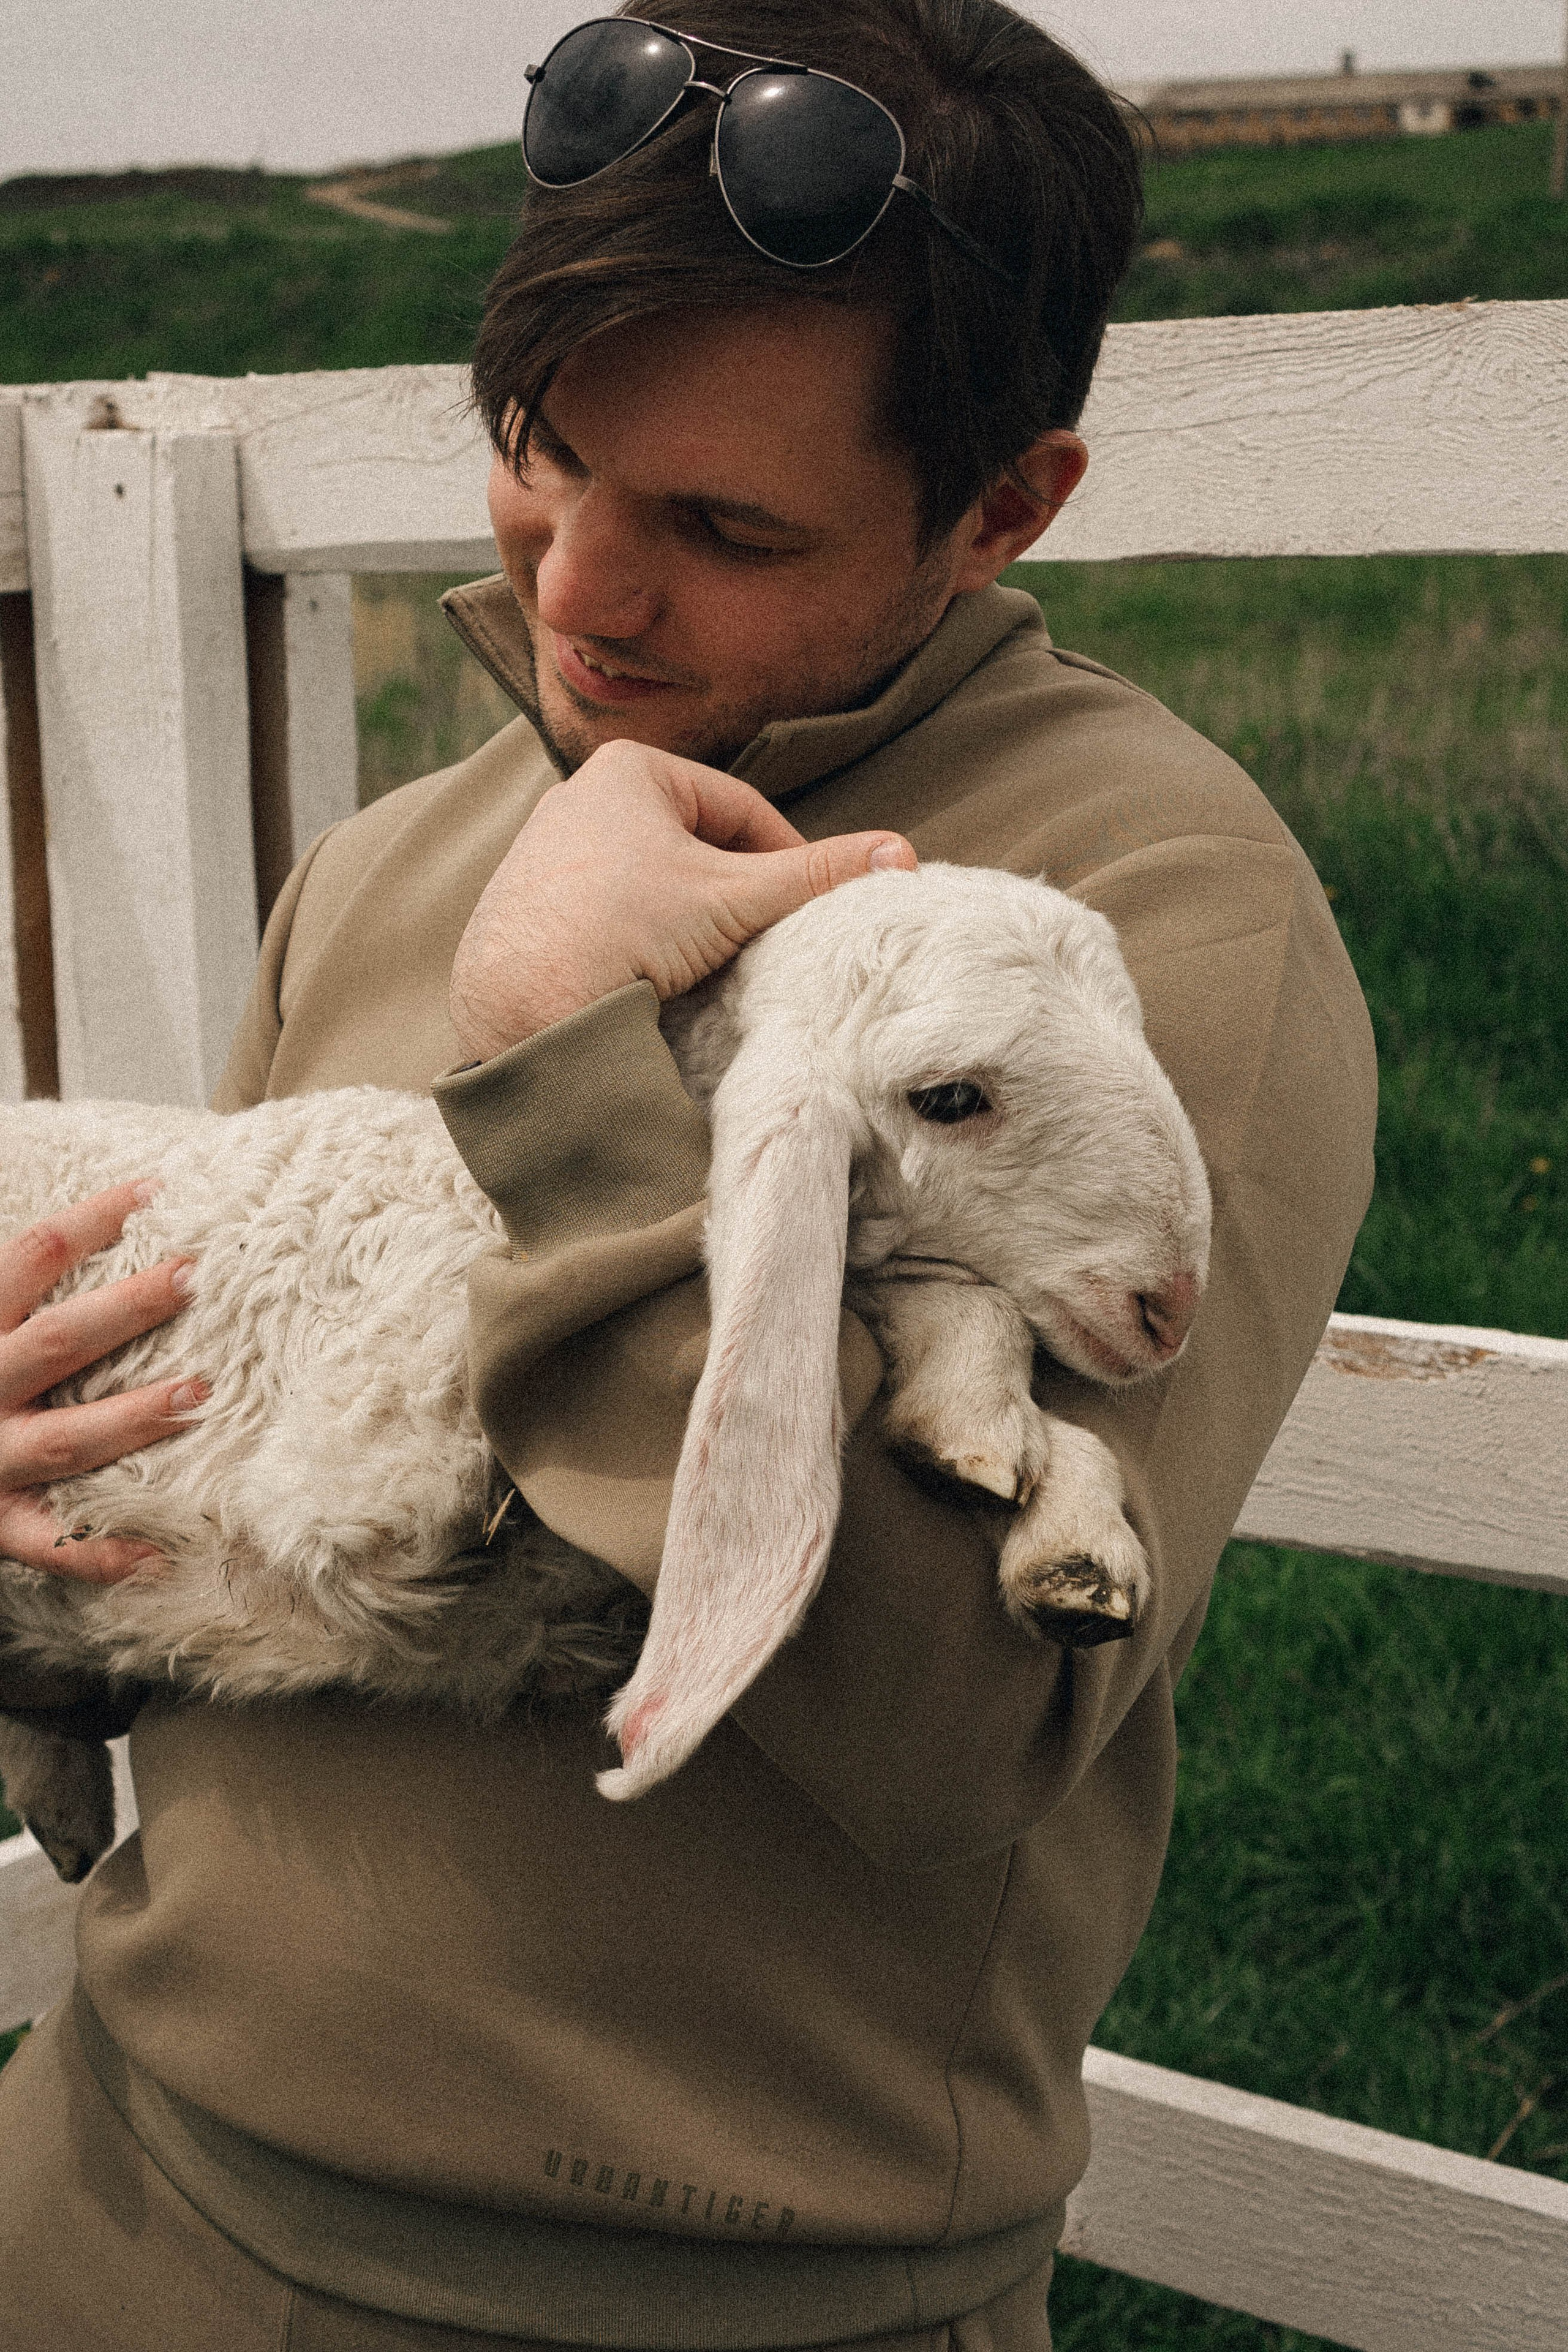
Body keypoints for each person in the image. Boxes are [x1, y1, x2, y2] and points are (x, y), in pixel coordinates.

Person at [0, 2, 1376, 2345]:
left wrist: (568, 1068)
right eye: (543, 460)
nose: (577, 599)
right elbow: (205, 1529)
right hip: (110, 2176)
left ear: (1005, 505)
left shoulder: (1144, 916)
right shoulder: (405, 859)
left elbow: (958, 1721)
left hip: (675, 2297)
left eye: (725, 528)